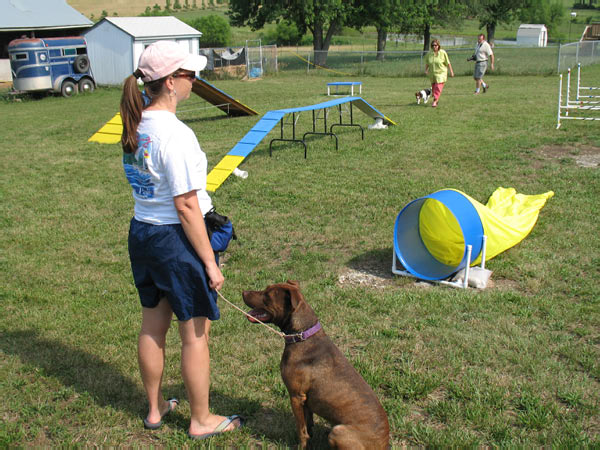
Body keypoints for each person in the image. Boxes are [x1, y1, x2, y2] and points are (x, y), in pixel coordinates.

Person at [119, 40, 243, 440]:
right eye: (190, 75)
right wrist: (209, 262)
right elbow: (187, 205)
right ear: (171, 82)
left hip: (143, 234)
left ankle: (155, 411)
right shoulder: (177, 134)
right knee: (195, 333)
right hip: (177, 240)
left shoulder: (135, 123)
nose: (195, 80)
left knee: (153, 327)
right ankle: (201, 419)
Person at [424, 39, 454, 108]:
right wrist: (426, 70)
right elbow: (427, 63)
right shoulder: (429, 54)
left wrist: (451, 71)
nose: (434, 46)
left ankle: (434, 101)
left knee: (438, 87)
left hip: (441, 73)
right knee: (434, 88)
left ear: (438, 45)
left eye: (435, 45)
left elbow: (448, 63)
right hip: (432, 74)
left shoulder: (443, 52)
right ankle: (436, 99)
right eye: (432, 45)